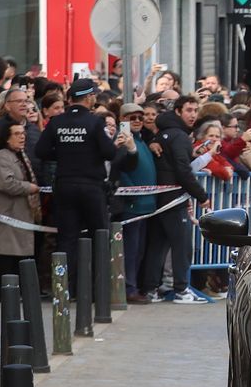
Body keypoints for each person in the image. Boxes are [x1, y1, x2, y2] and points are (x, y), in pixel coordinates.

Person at [35, 78, 132, 276]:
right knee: (99, 237)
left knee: (66, 239)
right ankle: (98, 286)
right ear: (88, 98)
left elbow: (41, 151)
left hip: (65, 185)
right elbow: (109, 153)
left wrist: (64, 153)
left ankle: (64, 286)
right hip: (91, 187)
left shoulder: (57, 122)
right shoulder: (94, 122)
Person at [146, 94, 211, 304]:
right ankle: (182, 290)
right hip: (174, 199)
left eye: (195, 110)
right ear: (177, 111)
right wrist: (201, 196)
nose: (193, 115)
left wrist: (192, 154)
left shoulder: (163, 134)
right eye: (189, 110)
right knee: (182, 246)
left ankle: (151, 289)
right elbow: (182, 170)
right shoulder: (179, 136)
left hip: (159, 198)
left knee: (158, 245)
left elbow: (175, 162)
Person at [113, 103, 159, 303]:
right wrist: (132, 194)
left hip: (146, 205)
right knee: (130, 250)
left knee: (138, 250)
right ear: (122, 119)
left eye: (140, 117)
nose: (138, 121)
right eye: (133, 118)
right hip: (132, 205)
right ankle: (128, 288)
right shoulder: (122, 141)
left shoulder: (141, 140)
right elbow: (119, 170)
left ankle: (133, 286)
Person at [0, 121, 43, 268]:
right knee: (7, 265)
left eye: (23, 133)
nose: (22, 137)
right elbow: (6, 183)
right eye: (17, 134)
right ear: (7, 138)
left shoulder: (22, 155)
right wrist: (29, 187)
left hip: (21, 217)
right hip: (8, 218)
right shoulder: (2, 156)